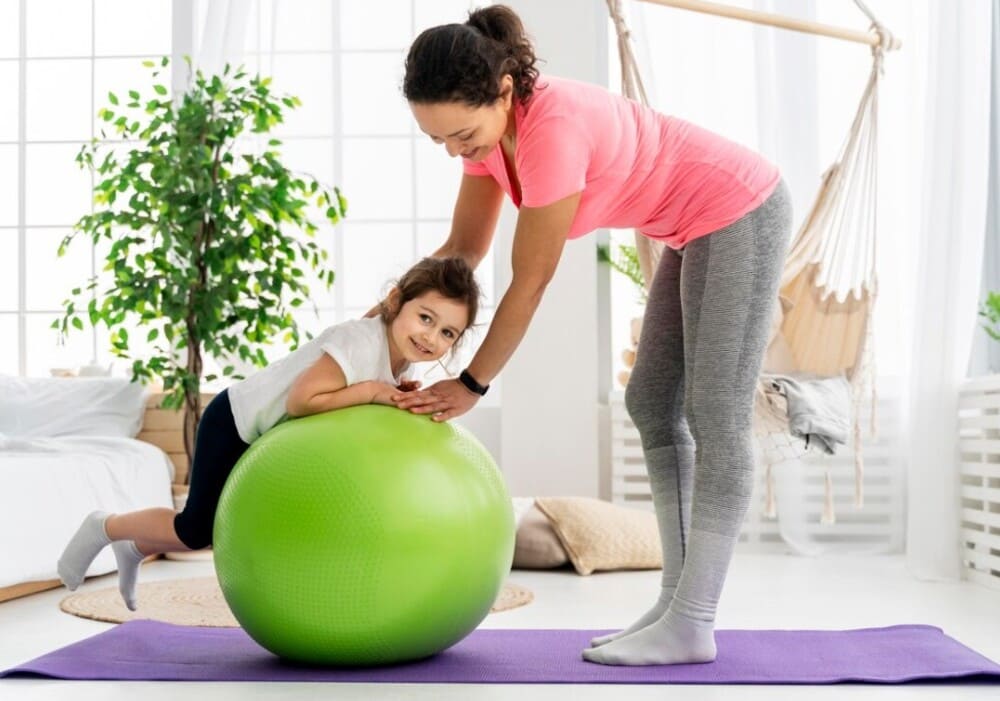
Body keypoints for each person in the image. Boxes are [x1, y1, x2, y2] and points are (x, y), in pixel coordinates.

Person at [395, 5, 793, 666]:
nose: (454, 150)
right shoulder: (490, 141)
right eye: (439, 140)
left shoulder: (551, 131)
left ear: (502, 92)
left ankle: (693, 619)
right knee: (651, 401)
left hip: (740, 209)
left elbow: (531, 278)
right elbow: (462, 252)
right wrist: (394, 315)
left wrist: (470, 382)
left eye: (460, 134)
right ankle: (674, 606)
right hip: (692, 229)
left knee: (716, 414)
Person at [57, 257, 481, 610]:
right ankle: (107, 527)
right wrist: (371, 391)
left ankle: (132, 550)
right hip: (234, 422)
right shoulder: (357, 340)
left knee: (203, 529)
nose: (431, 336)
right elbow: (302, 401)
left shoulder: (395, 357)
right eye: (425, 318)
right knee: (194, 531)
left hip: (267, 440)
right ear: (395, 302)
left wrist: (388, 389)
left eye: (447, 333)